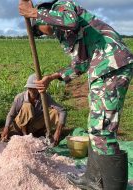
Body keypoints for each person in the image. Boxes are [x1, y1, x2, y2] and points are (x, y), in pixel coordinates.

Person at [19, 0, 133, 189]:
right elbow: (80, 63)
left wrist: (33, 13)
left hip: (112, 64)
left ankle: (113, 186)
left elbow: (70, 19)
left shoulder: (61, 7)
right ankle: (92, 179)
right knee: (95, 128)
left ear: (43, 15)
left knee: (103, 130)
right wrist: (53, 77)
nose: (43, 34)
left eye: (39, 29)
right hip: (101, 70)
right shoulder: (63, 32)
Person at [1, 73, 67, 146]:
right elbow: (11, 115)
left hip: (34, 127)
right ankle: (25, 137)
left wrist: (58, 132)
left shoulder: (44, 96)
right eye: (31, 89)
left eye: (36, 89)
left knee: (55, 112)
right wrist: (6, 128)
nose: (34, 91)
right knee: (27, 106)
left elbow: (62, 111)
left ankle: (42, 134)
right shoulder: (20, 97)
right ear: (28, 88)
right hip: (20, 127)